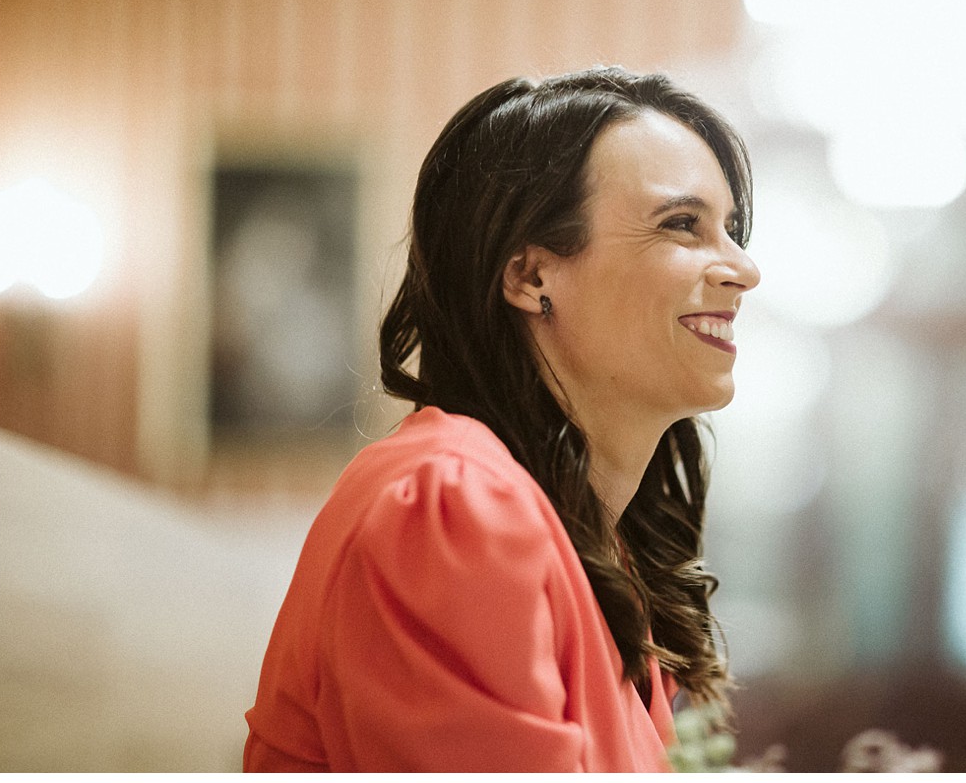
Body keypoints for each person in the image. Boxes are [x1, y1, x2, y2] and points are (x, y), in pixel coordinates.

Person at [243, 66, 761, 772]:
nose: (742, 269)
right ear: (530, 276)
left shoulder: (609, 561)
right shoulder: (450, 506)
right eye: (682, 224)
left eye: (730, 230)